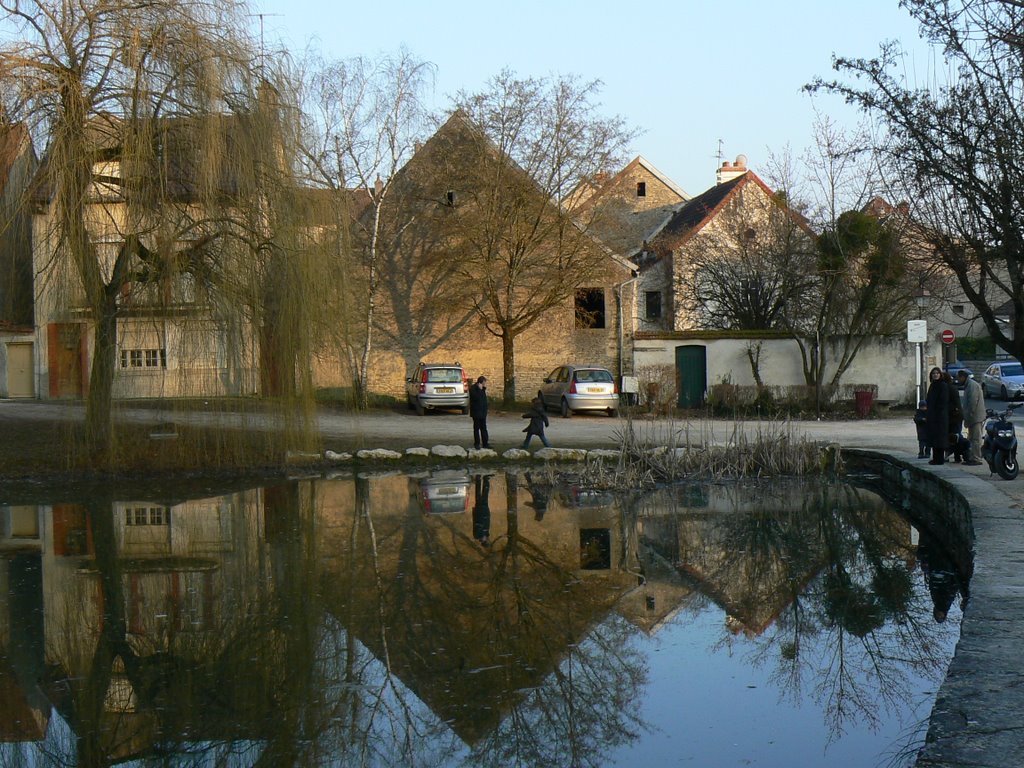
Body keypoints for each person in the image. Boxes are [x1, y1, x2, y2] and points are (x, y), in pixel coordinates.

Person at [957, 369, 985, 465]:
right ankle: (973, 457)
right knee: (972, 438)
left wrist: (969, 415)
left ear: (963, 377)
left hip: (975, 417)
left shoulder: (972, 386)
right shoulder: (969, 385)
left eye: (959, 378)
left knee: (976, 438)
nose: (958, 380)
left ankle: (977, 458)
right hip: (973, 416)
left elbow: (973, 402)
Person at [925, 366, 950, 465]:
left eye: (937, 373)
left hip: (940, 416)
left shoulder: (943, 385)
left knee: (940, 438)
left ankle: (939, 459)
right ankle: (935, 458)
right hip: (932, 416)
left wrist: (937, 412)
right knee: (934, 438)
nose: (935, 375)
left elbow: (943, 401)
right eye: (933, 373)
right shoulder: (932, 386)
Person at [945, 371, 963, 461]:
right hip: (955, 416)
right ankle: (957, 456)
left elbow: (955, 403)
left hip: (953, 416)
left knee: (954, 436)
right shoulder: (951, 388)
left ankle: (954, 455)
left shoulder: (949, 388)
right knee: (955, 436)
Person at [469, 375, 491, 449]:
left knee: (484, 428)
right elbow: (475, 398)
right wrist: (479, 390)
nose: (485, 384)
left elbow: (483, 400)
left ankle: (485, 443)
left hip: (482, 412)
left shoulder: (483, 389)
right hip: (476, 412)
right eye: (484, 383)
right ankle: (477, 443)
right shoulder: (473, 389)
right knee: (476, 428)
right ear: (480, 382)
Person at [472, 474, 491, 547]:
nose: (488, 539)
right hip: (485, 511)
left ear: (485, 541)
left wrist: (481, 527)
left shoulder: (477, 535)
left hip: (479, 512)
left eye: (488, 541)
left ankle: (478, 479)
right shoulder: (486, 533)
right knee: (485, 494)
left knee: (478, 495)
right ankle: (486, 479)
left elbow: (477, 524)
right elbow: (487, 523)